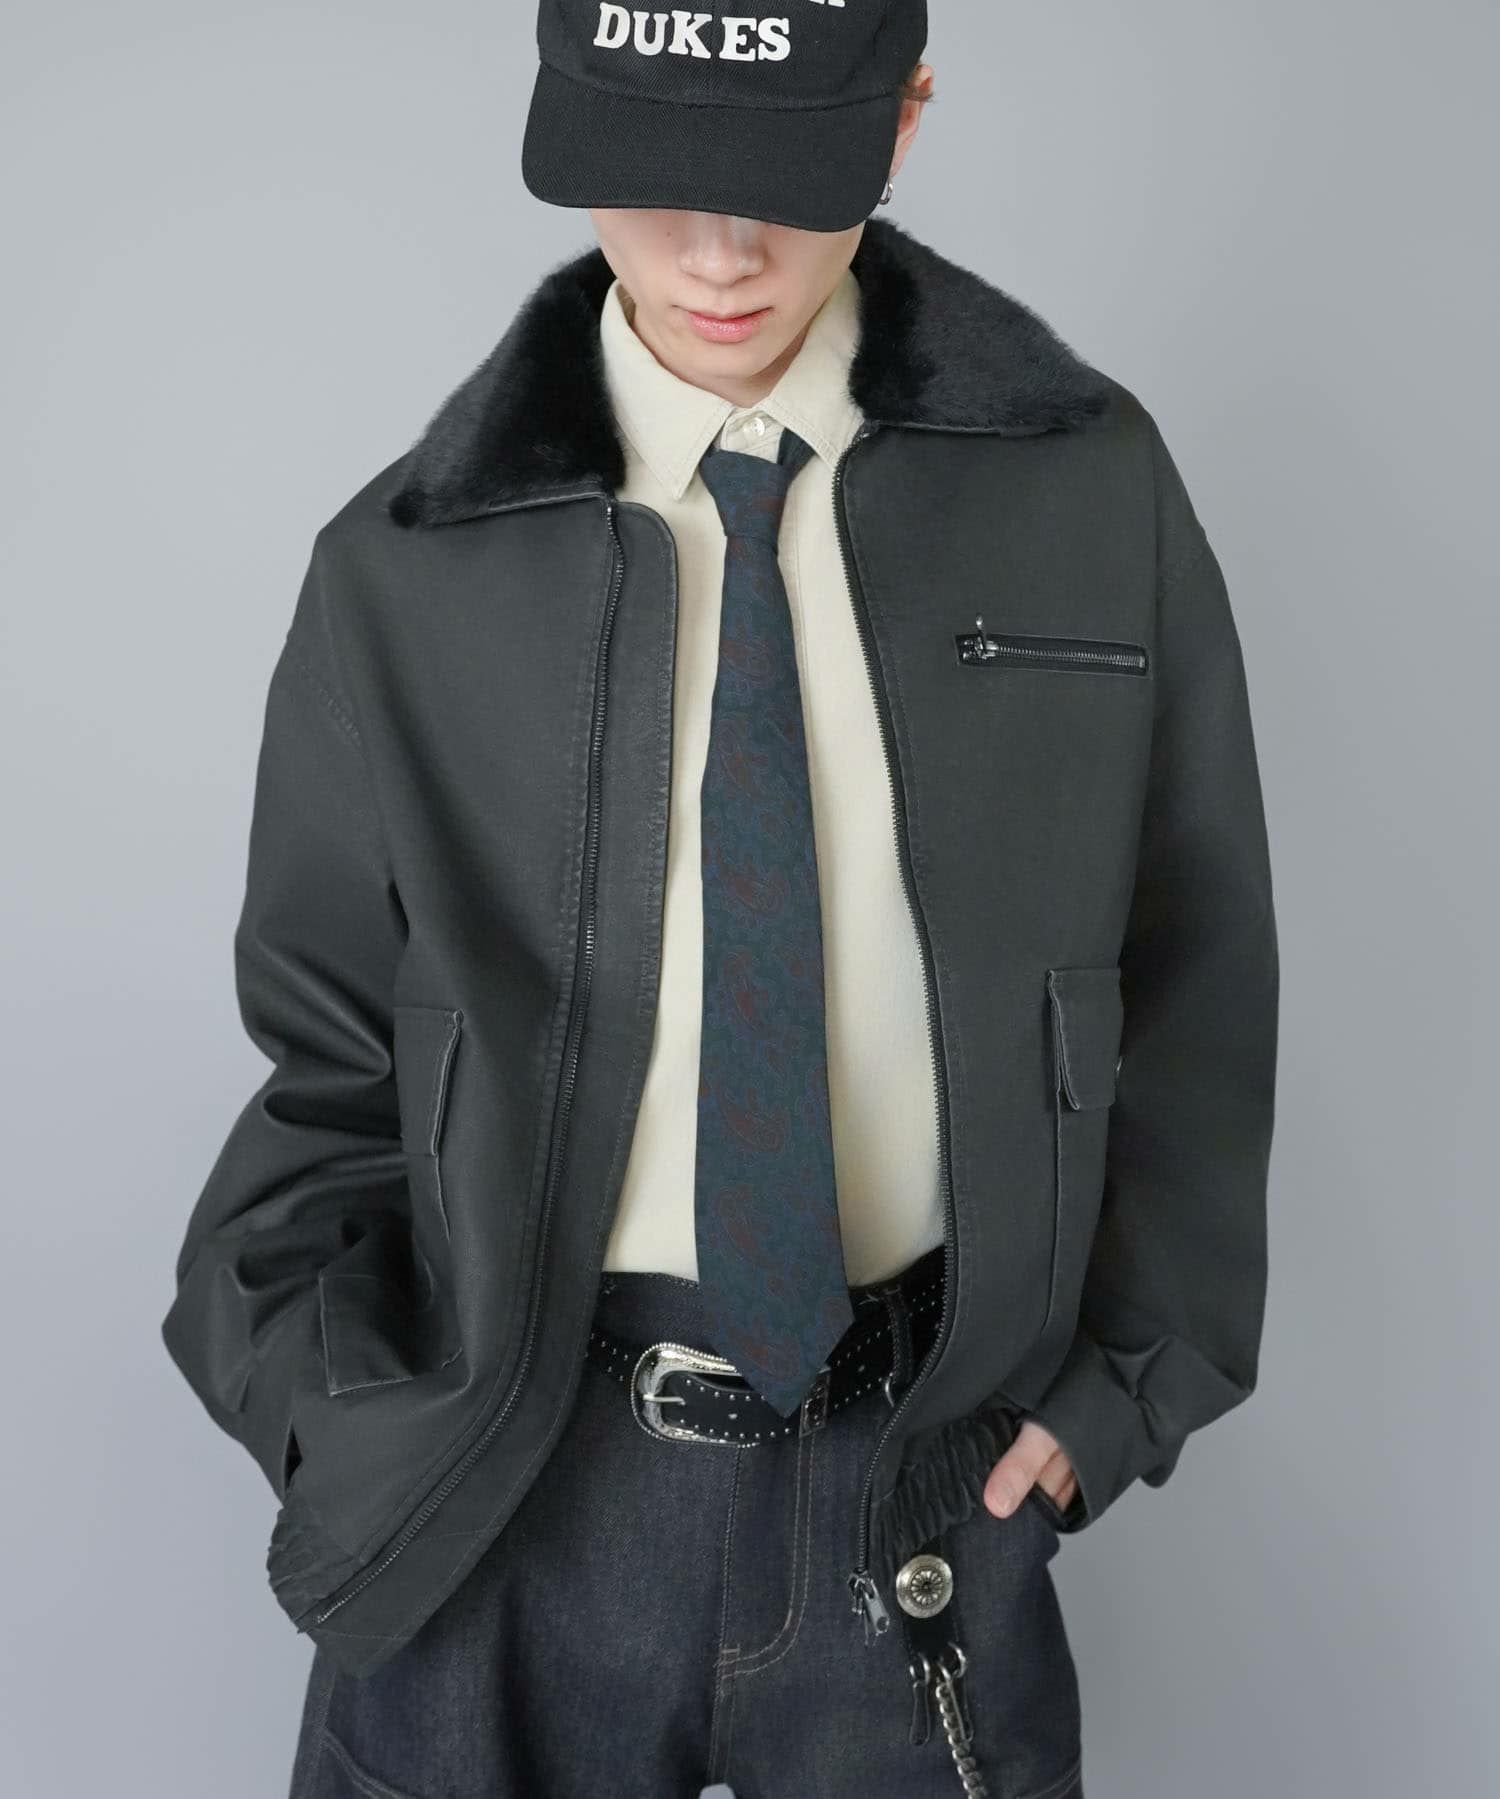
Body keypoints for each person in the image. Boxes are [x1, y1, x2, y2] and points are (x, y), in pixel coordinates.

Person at [160, 2, 1279, 1794]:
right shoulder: (408, 572)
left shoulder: (1087, 497)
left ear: (904, 113)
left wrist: (1125, 1384)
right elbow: (325, 1069)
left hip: (921, 1477)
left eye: (779, 176)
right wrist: (354, 1431)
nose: (719, 253)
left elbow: (1198, 970)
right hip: (514, 1491)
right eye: (654, 176)